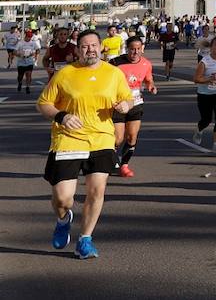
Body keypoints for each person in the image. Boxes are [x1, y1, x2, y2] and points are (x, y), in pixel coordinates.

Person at [36, 28, 134, 260]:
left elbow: (127, 97)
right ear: (77, 49)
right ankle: (63, 219)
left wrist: (126, 106)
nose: (90, 49)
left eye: (93, 45)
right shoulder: (66, 74)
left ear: (101, 47)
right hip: (68, 139)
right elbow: (43, 103)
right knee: (63, 198)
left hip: (101, 138)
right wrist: (62, 116)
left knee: (96, 190)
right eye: (84, 46)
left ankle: (85, 240)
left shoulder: (113, 73)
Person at [110, 35, 157, 177]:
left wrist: (151, 86)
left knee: (132, 137)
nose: (135, 52)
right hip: (119, 104)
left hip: (136, 103)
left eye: (138, 49)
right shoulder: (115, 63)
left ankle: (124, 165)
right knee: (118, 138)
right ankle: (109, 158)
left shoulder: (146, 64)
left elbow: (149, 79)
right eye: (132, 49)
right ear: (127, 49)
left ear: (142, 49)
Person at [192, 36, 216, 153]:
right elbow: (196, 79)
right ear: (211, 47)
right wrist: (209, 79)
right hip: (204, 94)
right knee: (206, 119)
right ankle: (199, 130)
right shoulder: (205, 61)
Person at [15, 28, 40, 93]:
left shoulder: (33, 43)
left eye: (30, 37)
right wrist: (19, 55)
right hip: (21, 62)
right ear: (25, 36)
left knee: (29, 74)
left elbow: (38, 49)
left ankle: (27, 87)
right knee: (20, 76)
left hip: (30, 62)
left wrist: (35, 55)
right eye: (28, 37)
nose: (29, 38)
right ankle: (20, 83)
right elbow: (14, 51)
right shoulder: (20, 43)